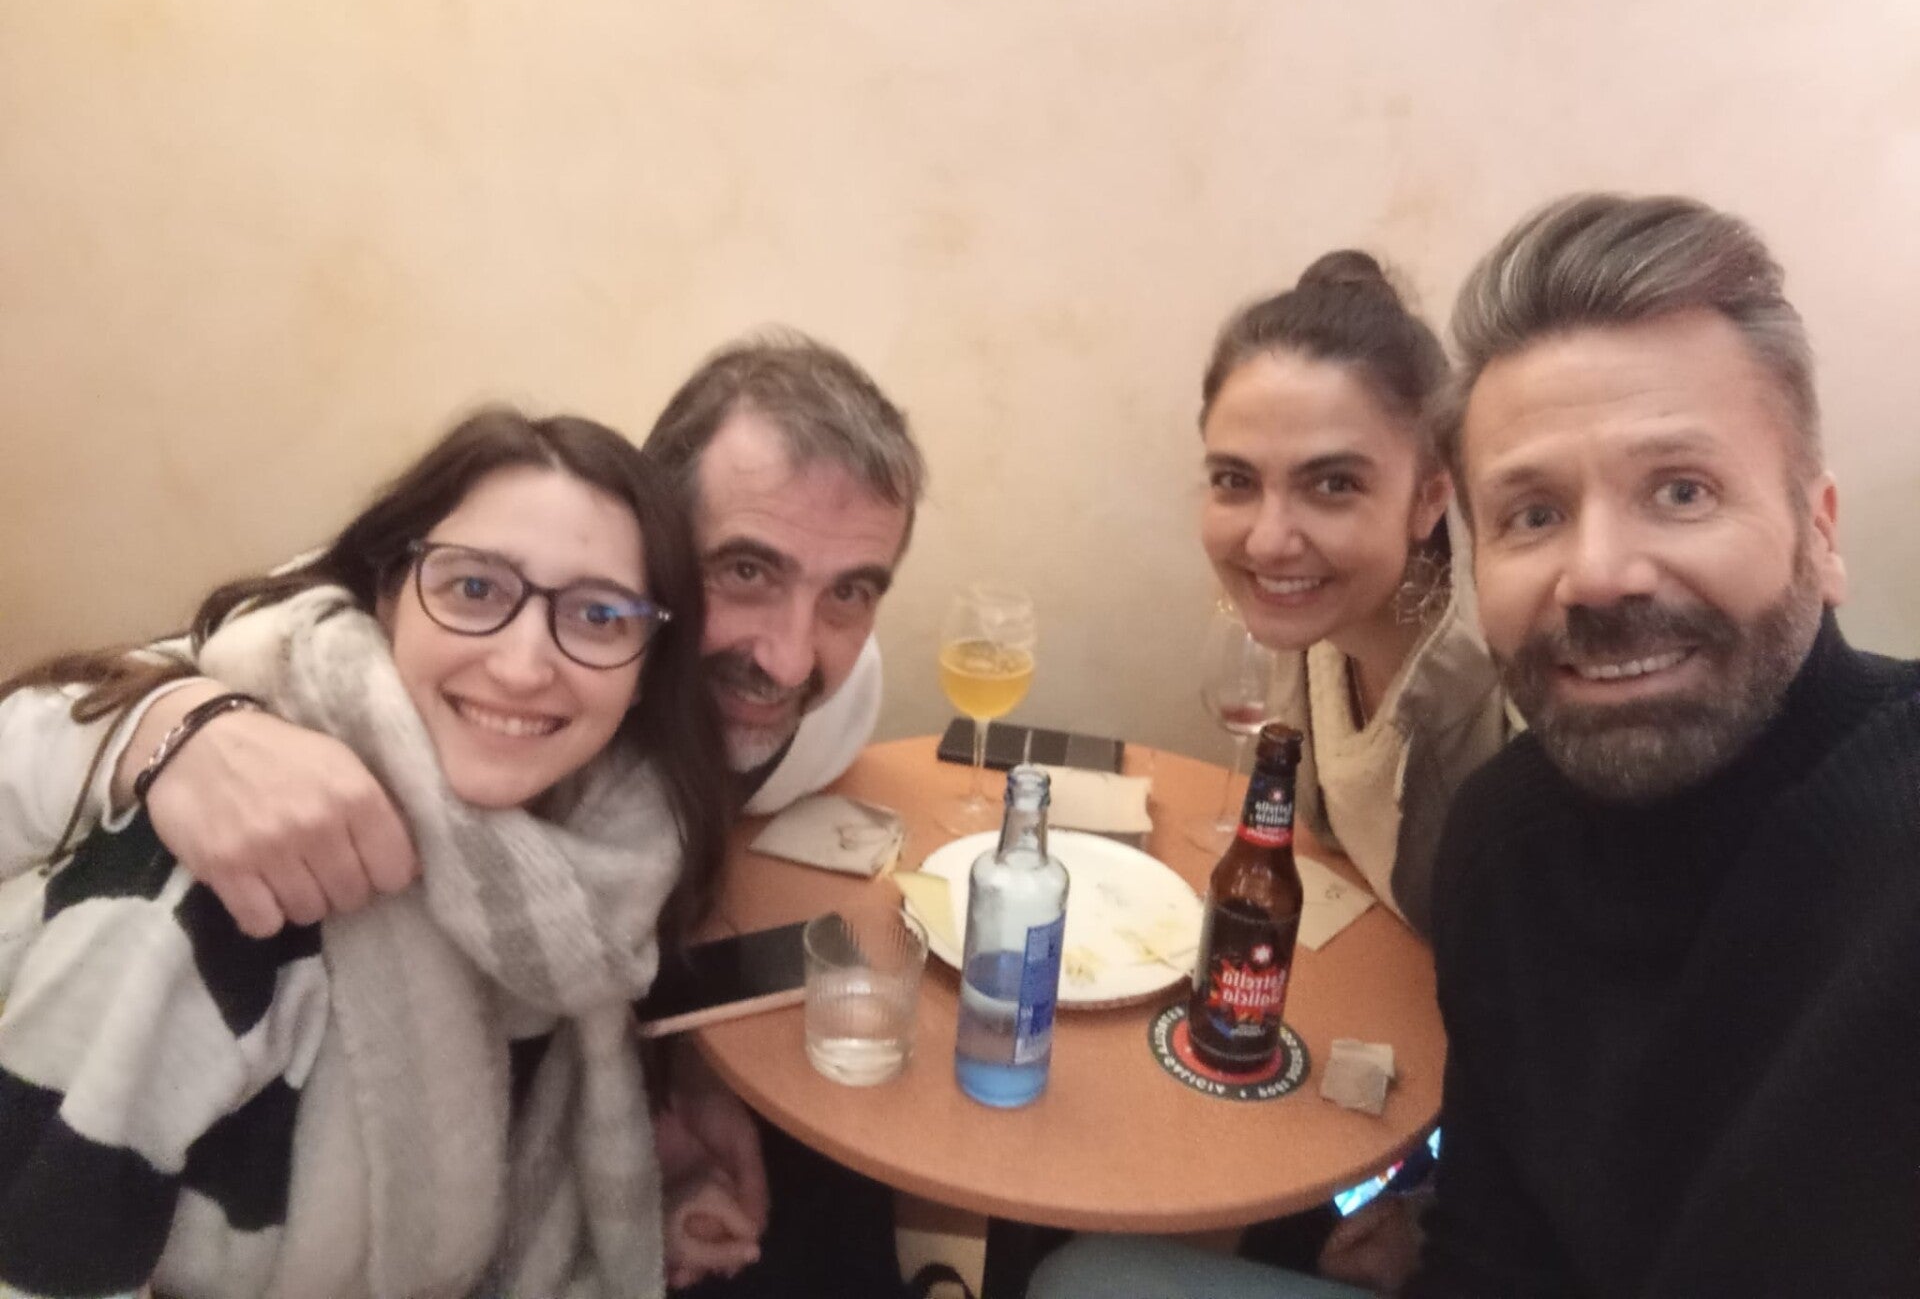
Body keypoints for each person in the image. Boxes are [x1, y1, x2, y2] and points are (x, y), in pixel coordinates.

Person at [1035, 193, 1920, 1298]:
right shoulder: (1509, 839)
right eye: (1535, 513)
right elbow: (1493, 1251)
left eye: (1681, 491)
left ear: (1821, 530)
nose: (1599, 574)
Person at [17, 330, 928, 1297]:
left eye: (848, 592)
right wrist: (174, 729)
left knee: (839, 1174)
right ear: (660, 540)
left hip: (531, 1144)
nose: (788, 657)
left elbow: (593, 938)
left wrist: (677, 1068)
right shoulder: (341, 699)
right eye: (746, 570)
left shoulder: (811, 705)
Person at [1199, 249, 1509, 940]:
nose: (1268, 542)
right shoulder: (1321, 624)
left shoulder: (1505, 716)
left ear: (1428, 498)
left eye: (1333, 484)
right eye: (1235, 480)